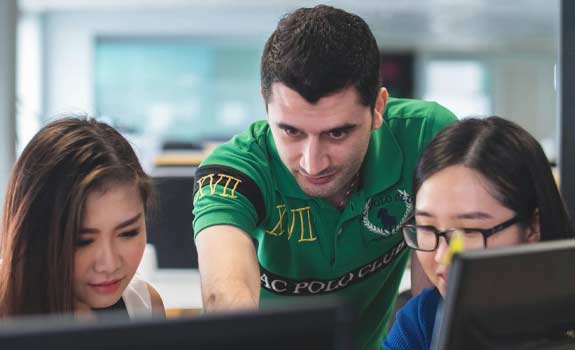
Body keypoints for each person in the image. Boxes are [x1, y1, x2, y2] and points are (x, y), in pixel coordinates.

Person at [192, 5, 456, 350]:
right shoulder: (233, 170)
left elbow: (434, 294)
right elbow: (225, 298)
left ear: (378, 107)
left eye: (337, 134)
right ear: (266, 104)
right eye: (290, 131)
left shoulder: (426, 135)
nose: (312, 163)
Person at [382, 116, 575, 350]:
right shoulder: (423, 319)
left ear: (533, 227)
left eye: (467, 231)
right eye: (427, 228)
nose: (442, 256)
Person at [0, 117, 165, 319]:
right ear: (34, 236)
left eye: (128, 233)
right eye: (82, 241)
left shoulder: (143, 306)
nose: (109, 264)